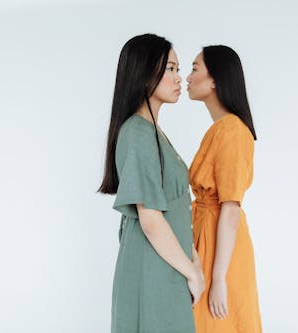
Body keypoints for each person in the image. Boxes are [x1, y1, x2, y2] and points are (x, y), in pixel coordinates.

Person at [98, 33, 205, 333]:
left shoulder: (152, 133)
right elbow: (151, 220)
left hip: (168, 266)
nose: (179, 77)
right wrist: (192, 273)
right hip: (152, 270)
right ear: (144, 75)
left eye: (178, 68)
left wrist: (193, 264)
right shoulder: (137, 133)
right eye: (170, 69)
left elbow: (174, 210)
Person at [186, 45, 262, 332]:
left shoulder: (232, 131)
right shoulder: (221, 129)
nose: (187, 78)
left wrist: (218, 278)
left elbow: (230, 207)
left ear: (215, 79)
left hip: (222, 249)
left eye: (194, 69)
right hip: (208, 238)